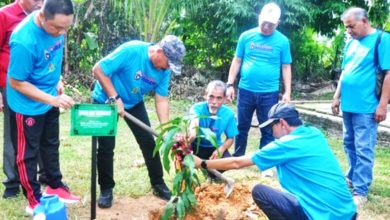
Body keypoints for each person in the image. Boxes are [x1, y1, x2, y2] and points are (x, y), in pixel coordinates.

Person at [193, 102, 357, 220]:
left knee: (260, 192)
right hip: (348, 212)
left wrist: (202, 163)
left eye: (272, 126)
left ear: (283, 123)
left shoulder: (285, 145)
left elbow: (238, 163)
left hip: (323, 216)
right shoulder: (314, 133)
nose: (271, 132)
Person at [92, 35, 186, 208]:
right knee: (106, 147)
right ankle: (106, 190)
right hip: (106, 100)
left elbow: (161, 99)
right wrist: (115, 97)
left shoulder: (164, 70)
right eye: (168, 63)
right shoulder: (132, 50)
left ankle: (158, 183)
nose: (167, 68)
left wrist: (165, 129)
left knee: (149, 143)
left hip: (134, 102)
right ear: (159, 51)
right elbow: (98, 69)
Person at [7, 0, 80, 214]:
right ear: (41, 16)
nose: (62, 33)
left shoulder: (57, 29)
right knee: (27, 153)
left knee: (50, 145)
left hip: (49, 99)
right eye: (57, 27)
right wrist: (52, 100)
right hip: (27, 106)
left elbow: (50, 59)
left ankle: (55, 187)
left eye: (67, 27)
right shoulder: (23, 40)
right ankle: (34, 200)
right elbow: (16, 82)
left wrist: (56, 79)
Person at [331, 7, 390, 206]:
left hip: (367, 107)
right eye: (346, 27)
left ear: (364, 21)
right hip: (348, 105)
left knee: (364, 148)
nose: (348, 30)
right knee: (349, 144)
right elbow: (345, 72)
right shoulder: (351, 43)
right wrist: (336, 97)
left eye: (351, 26)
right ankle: (352, 178)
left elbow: (388, 74)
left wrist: (383, 105)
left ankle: (361, 190)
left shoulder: (382, 40)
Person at [226, 2, 292, 159]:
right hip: (246, 90)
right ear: (259, 18)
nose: (267, 27)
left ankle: (264, 160)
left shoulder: (282, 41)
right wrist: (230, 84)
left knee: (268, 127)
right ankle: (239, 156)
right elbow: (237, 61)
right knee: (241, 125)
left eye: (271, 24)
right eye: (264, 23)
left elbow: (286, 67)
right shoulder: (246, 36)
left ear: (278, 23)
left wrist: (287, 92)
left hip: (269, 92)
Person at [0, 0, 44, 199]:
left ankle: (44, 176)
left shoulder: (43, 16)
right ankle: (12, 182)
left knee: (41, 131)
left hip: (39, 85)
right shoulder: (4, 15)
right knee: (13, 135)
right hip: (12, 84)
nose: (40, 3)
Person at [188, 80, 238, 179]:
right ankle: (187, 176)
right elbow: (194, 122)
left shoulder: (228, 114)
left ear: (224, 99)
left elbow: (231, 138)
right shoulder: (197, 108)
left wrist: (221, 149)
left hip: (214, 147)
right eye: (211, 97)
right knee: (182, 155)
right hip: (196, 145)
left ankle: (211, 174)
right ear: (205, 96)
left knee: (227, 160)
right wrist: (192, 134)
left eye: (219, 98)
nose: (214, 102)